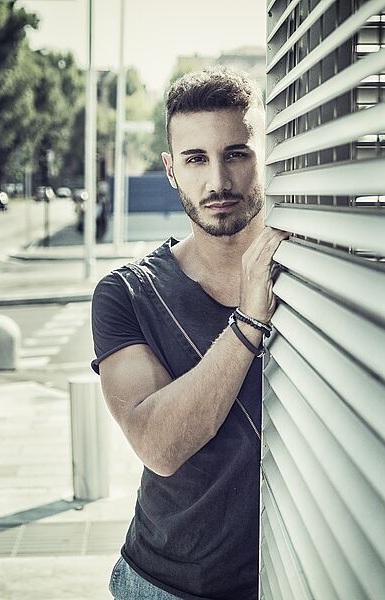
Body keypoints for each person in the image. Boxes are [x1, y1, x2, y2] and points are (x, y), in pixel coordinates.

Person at [91, 67, 289, 600]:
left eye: (237, 153)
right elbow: (159, 444)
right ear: (171, 169)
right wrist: (248, 322)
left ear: (266, 154)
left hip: (298, 577)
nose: (218, 182)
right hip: (166, 585)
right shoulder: (127, 294)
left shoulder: (309, 273)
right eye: (196, 159)